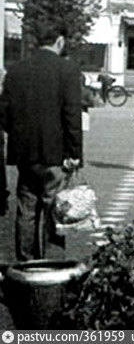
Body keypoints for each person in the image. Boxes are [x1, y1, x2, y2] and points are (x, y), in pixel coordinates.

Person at [0, 28, 83, 260]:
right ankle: (52, 265)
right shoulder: (67, 70)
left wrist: (19, 136)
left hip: (25, 154)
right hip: (55, 153)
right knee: (54, 209)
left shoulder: (16, 70)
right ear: (59, 41)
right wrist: (74, 151)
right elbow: (72, 114)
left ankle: (26, 262)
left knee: (26, 208)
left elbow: (4, 113)